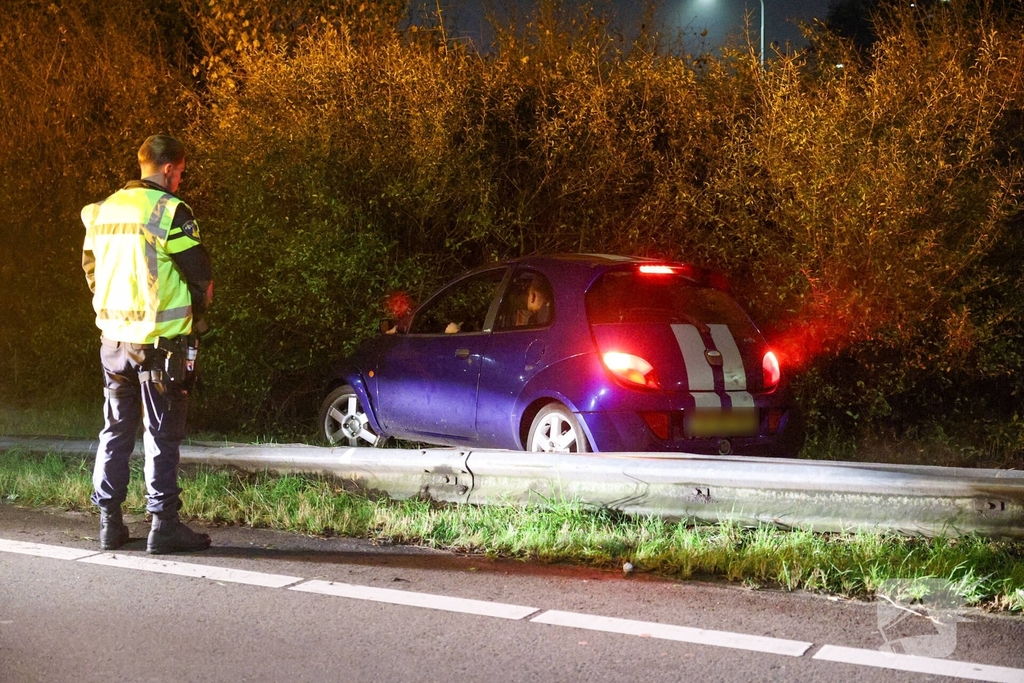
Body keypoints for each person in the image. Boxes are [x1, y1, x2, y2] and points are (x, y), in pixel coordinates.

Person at [81, 134, 213, 554]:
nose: (180, 181)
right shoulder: (170, 210)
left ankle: (109, 524)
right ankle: (163, 525)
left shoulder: (102, 210)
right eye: (181, 174)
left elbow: (91, 269)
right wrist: (198, 317)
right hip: (160, 342)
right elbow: (199, 276)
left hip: (113, 340)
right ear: (171, 168)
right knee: (161, 433)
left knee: (116, 428)